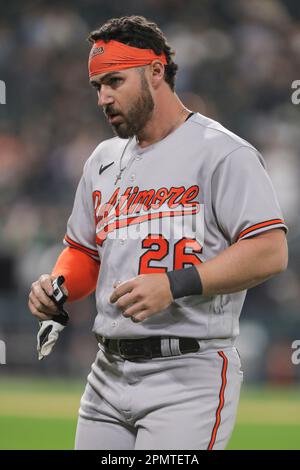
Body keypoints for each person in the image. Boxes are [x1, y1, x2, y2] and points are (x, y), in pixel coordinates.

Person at [28, 15, 288, 450]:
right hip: (107, 374)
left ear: (155, 71)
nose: (103, 98)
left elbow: (270, 250)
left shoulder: (223, 153)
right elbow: (84, 252)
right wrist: (56, 286)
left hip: (188, 374)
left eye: (114, 81)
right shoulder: (103, 159)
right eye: (98, 87)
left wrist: (174, 284)